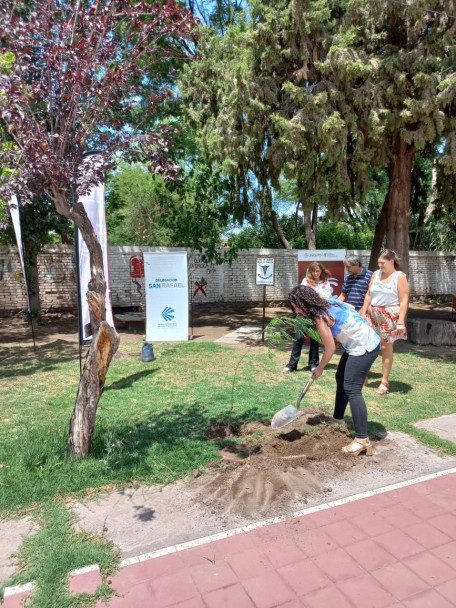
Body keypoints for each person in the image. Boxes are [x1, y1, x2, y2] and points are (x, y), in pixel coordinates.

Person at [289, 285, 380, 455]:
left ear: (305, 303)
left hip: (363, 346)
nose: (297, 311)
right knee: (341, 377)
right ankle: (338, 418)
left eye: (297, 307)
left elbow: (330, 349)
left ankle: (362, 440)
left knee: (352, 389)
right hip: (360, 342)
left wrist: (319, 368)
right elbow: (351, 308)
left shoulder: (320, 317)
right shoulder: (328, 302)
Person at [359, 249, 409, 395]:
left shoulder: (399, 277)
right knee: (366, 344)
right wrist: (363, 311)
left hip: (389, 315)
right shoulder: (375, 274)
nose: (380, 265)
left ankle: (384, 381)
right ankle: (363, 376)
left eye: (382, 263)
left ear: (391, 261)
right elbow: (368, 294)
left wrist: (400, 321)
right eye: (378, 263)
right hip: (372, 314)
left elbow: (404, 300)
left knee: (385, 347)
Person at [283, 262, 333, 373]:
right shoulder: (305, 282)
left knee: (315, 339)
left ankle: (313, 364)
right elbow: (302, 298)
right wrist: (317, 297)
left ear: (321, 271)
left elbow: (326, 299)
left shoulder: (325, 283)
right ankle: (292, 364)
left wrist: (314, 297)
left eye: (318, 271)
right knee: (299, 338)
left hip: (317, 315)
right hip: (303, 314)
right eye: (313, 271)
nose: (315, 273)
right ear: (310, 272)